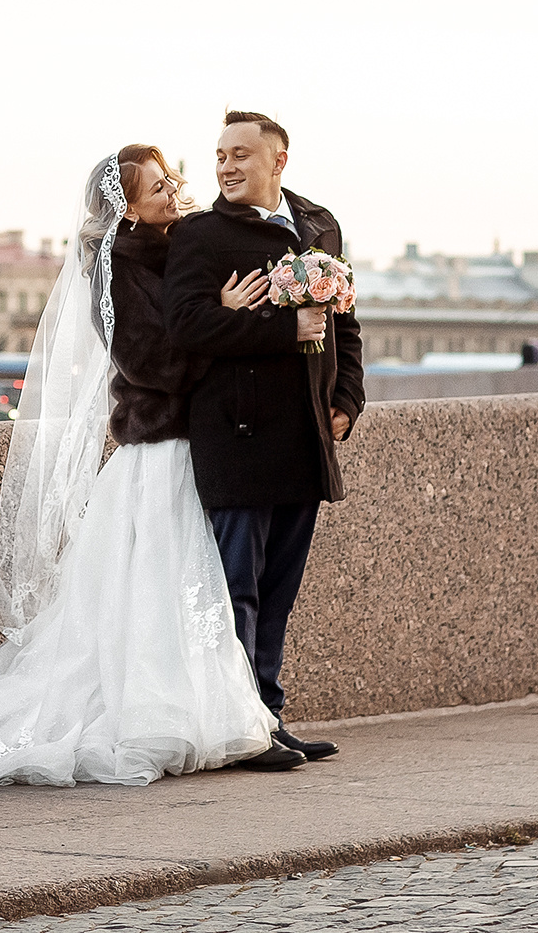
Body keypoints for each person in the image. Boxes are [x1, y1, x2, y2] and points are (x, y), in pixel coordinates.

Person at [0, 149, 284, 785]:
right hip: (159, 453)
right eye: (158, 188)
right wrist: (223, 321)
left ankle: (214, 715)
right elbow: (155, 366)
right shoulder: (118, 270)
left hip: (187, 447)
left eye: (172, 179)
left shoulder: (174, 251)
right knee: (165, 591)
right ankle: (165, 719)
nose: (174, 191)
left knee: (190, 595)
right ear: (127, 210)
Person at [163, 110, 363, 767]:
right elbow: (185, 327)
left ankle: (270, 716)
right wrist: (283, 331)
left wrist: (347, 397)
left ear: (278, 160)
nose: (226, 165)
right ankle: (238, 729)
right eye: (220, 154)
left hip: (305, 433)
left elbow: (345, 321)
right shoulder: (200, 235)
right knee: (236, 589)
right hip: (237, 433)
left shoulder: (318, 225)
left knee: (278, 589)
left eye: (242, 154)